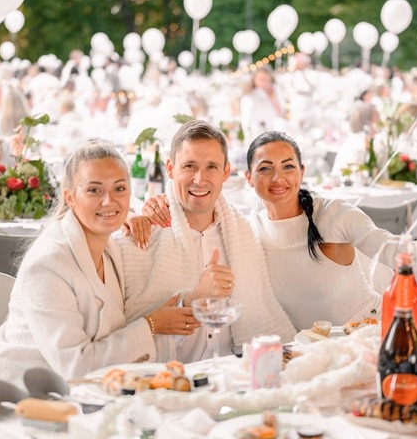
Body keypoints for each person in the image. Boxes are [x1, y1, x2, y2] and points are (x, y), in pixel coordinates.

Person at [0, 142, 195, 389]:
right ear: (70, 197)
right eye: (94, 190)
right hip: (16, 396)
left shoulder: (110, 247)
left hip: (81, 392)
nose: (109, 201)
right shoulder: (48, 265)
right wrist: (152, 324)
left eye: (119, 188)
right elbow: (75, 367)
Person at [139, 131, 399, 329]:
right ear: (248, 178)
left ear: (301, 172)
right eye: (265, 169)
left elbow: (395, 251)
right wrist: (145, 209)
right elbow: (197, 209)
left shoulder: (332, 214)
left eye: (288, 166)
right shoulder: (246, 231)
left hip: (366, 332)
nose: (278, 178)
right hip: (306, 349)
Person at [117, 120, 296, 363]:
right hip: (170, 380)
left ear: (225, 172)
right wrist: (196, 298)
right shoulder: (142, 237)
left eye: (211, 167)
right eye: (189, 166)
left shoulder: (242, 233)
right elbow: (127, 338)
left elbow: (259, 315)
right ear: (170, 169)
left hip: (234, 373)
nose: (200, 180)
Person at [240, 67, 287, 142]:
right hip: (255, 134)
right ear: (254, 80)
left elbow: (281, 114)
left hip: (273, 134)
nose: (264, 83)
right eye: (261, 80)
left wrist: (273, 97)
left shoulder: (276, 92)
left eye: (267, 80)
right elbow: (246, 121)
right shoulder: (249, 96)